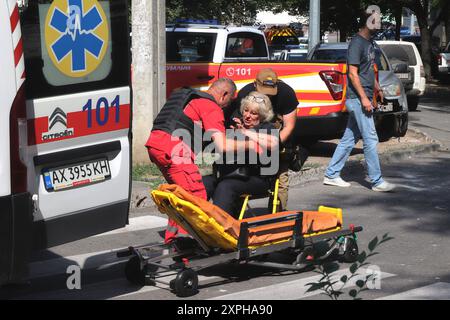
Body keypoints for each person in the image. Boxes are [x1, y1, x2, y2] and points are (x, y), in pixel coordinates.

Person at [146, 78, 260, 244]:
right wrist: (251, 145)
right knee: (194, 198)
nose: (226, 107)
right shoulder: (211, 106)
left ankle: (173, 239)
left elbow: (190, 127)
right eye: (228, 102)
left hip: (155, 144)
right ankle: (186, 244)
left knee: (181, 195)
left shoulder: (188, 96)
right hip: (173, 150)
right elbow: (223, 146)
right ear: (224, 94)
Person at [323, 10, 396, 192]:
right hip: (357, 98)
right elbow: (353, 74)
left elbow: (368, 68)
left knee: (349, 139)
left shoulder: (369, 43)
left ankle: (331, 174)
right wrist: (364, 98)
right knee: (371, 138)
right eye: (376, 21)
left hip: (362, 97)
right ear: (367, 22)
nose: (378, 25)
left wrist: (377, 86)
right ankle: (377, 181)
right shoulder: (357, 43)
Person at [227, 68, 298, 210]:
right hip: (252, 138)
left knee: (281, 180)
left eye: (270, 91)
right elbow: (236, 123)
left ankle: (278, 214)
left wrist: (274, 147)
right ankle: (235, 209)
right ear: (255, 84)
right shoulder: (245, 93)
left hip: (278, 137)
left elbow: (288, 127)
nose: (267, 95)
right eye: (263, 90)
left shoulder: (286, 93)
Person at [203, 91, 278, 218]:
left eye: (253, 113)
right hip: (229, 173)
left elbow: (274, 143)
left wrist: (246, 132)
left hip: (256, 178)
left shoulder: (267, 127)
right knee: (204, 182)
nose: (247, 116)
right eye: (246, 111)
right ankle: (193, 220)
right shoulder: (235, 127)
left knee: (226, 186)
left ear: (262, 116)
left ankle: (221, 225)